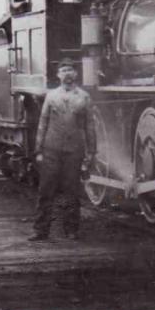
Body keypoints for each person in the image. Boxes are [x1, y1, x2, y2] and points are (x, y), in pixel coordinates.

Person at [29, 58, 96, 242]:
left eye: (70, 70)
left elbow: (90, 126)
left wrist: (91, 153)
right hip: (51, 149)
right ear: (58, 75)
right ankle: (40, 230)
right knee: (45, 190)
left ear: (76, 74)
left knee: (71, 192)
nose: (67, 73)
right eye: (63, 70)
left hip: (74, 151)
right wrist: (39, 150)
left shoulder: (84, 97)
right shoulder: (51, 96)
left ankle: (71, 230)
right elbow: (42, 123)